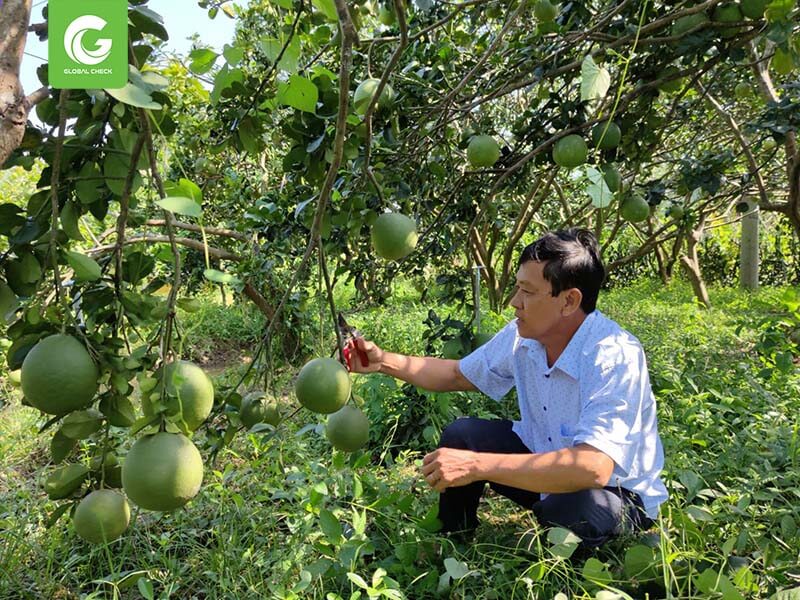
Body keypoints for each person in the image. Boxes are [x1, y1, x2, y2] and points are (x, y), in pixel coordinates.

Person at [346, 228, 667, 547]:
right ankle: (451, 542)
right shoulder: (522, 336)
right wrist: (381, 361)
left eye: (527, 292)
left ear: (569, 301)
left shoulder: (612, 354)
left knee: (573, 509)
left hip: (617, 494)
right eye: (517, 288)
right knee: (463, 437)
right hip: (546, 464)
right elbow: (457, 374)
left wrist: (475, 466)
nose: (515, 302)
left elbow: (592, 468)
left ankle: (584, 563)